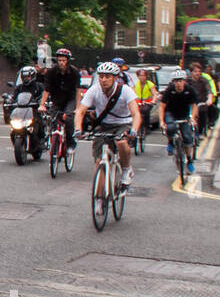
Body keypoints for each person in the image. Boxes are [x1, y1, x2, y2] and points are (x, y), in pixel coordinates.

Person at [74, 61, 142, 191]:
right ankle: (99, 198)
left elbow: (136, 114)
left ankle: (127, 169)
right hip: (104, 125)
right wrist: (78, 129)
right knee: (99, 162)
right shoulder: (94, 90)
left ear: (115, 78)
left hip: (123, 124)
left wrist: (134, 130)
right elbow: (81, 111)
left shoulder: (126, 91)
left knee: (121, 142)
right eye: (101, 76)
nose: (103, 80)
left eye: (107, 76)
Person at [39, 48, 80, 153]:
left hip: (70, 100)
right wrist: (42, 105)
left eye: (64, 60)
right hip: (57, 100)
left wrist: (78, 108)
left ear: (68, 61)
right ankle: (52, 141)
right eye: (60, 60)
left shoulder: (74, 72)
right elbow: (47, 90)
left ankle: (71, 143)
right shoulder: (51, 72)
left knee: (69, 118)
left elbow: (78, 90)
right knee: (52, 120)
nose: (61, 63)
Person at [157, 70, 198, 173]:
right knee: (170, 128)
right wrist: (162, 121)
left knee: (188, 137)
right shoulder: (169, 90)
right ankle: (170, 142)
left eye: (180, 81)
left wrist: (192, 118)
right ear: (173, 82)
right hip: (170, 113)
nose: (178, 83)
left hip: (184, 114)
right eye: (176, 81)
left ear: (184, 81)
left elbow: (194, 106)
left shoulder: (190, 90)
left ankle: (189, 160)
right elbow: (162, 106)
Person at [13, 65, 46, 146]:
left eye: (28, 76)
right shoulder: (20, 87)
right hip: (22, 111)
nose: (26, 79)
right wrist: (10, 100)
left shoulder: (39, 86)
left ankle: (42, 140)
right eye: (24, 77)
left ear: (33, 76)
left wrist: (41, 102)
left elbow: (43, 96)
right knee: (14, 125)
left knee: (40, 123)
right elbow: (14, 97)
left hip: (34, 110)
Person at [188, 61, 215, 136]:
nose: (197, 73)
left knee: (203, 115)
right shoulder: (187, 81)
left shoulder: (204, 80)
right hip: (190, 103)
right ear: (191, 72)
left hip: (201, 103)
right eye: (195, 71)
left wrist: (209, 99)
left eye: (199, 71)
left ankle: (201, 130)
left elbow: (209, 91)